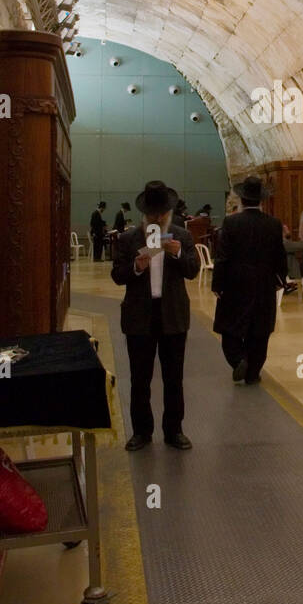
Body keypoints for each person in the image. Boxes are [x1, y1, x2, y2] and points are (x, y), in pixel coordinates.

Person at [112, 180, 199, 451]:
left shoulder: (180, 236)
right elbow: (117, 275)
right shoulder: (128, 239)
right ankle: (141, 431)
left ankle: (174, 430)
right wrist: (136, 268)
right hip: (139, 316)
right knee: (140, 378)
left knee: (174, 377)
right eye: (153, 215)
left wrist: (179, 254)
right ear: (145, 214)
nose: (158, 218)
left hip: (173, 315)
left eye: (162, 214)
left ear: (169, 213)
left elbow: (193, 270)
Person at [211, 174, 287, 385]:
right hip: (263, 283)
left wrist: (217, 284)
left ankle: (238, 359)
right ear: (261, 200)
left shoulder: (231, 222)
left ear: (242, 200)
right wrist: (281, 278)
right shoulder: (273, 224)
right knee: (260, 329)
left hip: (235, 283)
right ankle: (253, 372)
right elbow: (279, 255)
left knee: (230, 327)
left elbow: (222, 256)